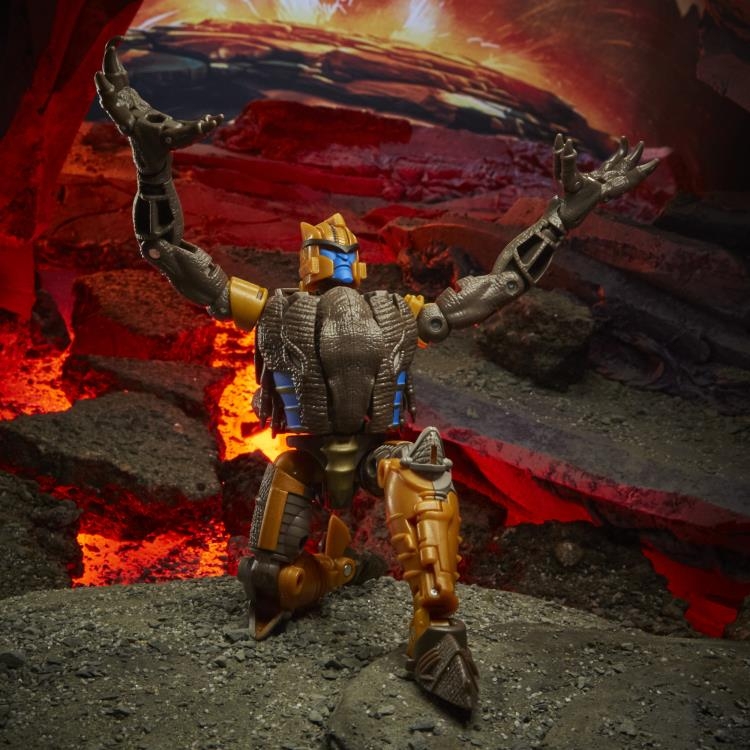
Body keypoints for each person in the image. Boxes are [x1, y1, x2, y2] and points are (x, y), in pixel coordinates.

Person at [96, 37, 658, 713]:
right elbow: (167, 249)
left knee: (422, 479)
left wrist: (566, 213)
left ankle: (436, 628)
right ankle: (341, 569)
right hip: (304, 459)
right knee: (269, 584)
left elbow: (503, 283)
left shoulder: (383, 310)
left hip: (376, 454)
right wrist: (151, 163)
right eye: (322, 248)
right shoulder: (291, 308)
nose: (328, 253)